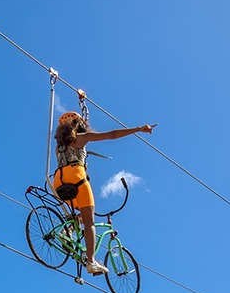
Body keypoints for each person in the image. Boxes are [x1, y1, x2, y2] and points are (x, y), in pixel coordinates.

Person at [52, 112, 155, 274]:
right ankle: (91, 261)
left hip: (58, 181)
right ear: (78, 124)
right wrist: (138, 129)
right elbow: (112, 135)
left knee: (80, 213)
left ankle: (68, 229)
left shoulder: (58, 148)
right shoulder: (82, 138)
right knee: (89, 222)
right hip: (76, 177)